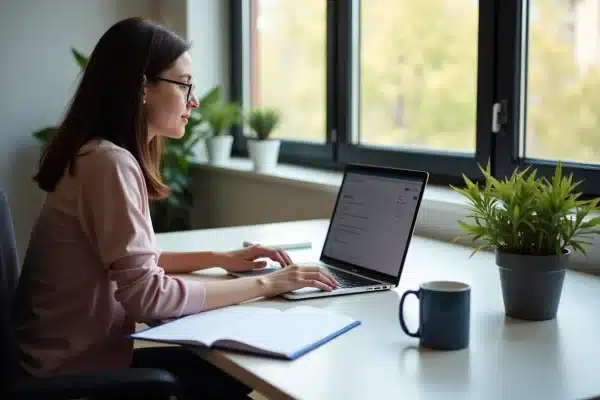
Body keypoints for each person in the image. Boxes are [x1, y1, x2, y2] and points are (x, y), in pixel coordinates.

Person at [13, 17, 338, 399]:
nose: (194, 101)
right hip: (69, 379)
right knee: (230, 377)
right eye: (184, 84)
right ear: (142, 89)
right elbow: (149, 299)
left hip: (64, 363)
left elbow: (133, 262)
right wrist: (269, 283)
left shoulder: (96, 154)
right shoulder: (108, 163)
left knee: (222, 372)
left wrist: (222, 257)